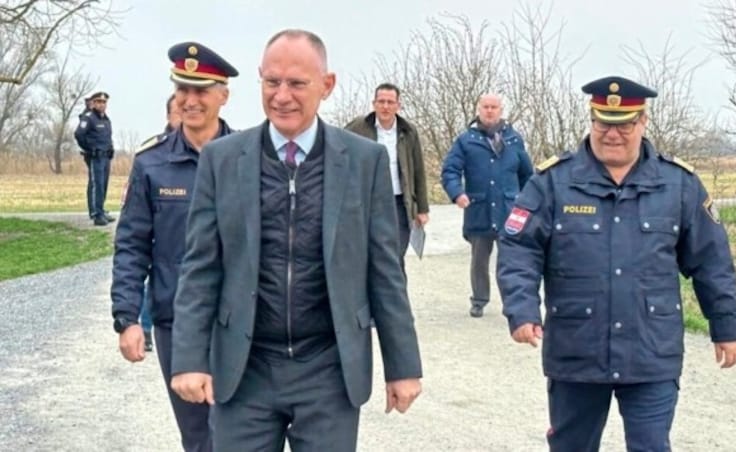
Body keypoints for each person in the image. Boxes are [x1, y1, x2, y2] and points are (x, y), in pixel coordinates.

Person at [169, 29, 423, 452]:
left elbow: (385, 272)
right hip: (245, 368)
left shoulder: (365, 161)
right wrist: (191, 359)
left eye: (296, 83)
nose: (281, 96)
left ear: (327, 85)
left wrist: (403, 366)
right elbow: (200, 267)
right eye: (272, 82)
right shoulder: (223, 159)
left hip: (328, 368)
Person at [496, 75, 736, 452]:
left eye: (624, 124)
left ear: (642, 122)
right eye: (603, 123)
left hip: (651, 351)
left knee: (650, 446)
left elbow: (712, 261)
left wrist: (725, 324)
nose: (612, 134)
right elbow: (519, 248)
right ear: (592, 120)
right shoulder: (552, 182)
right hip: (577, 350)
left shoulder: (679, 184)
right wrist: (521, 308)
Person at [110, 41, 238, 452]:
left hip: (240, 320)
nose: (190, 99)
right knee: (199, 437)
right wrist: (127, 317)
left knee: (242, 432)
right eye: (183, 89)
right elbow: (131, 245)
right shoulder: (152, 163)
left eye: (201, 90)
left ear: (223, 95)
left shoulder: (250, 158)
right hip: (175, 321)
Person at [440, 94, 533, 318]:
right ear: (478, 109)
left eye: (494, 107)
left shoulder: (514, 140)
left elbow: (527, 175)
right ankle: (479, 300)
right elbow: (450, 171)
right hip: (478, 208)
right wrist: (457, 193)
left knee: (510, 260)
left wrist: (527, 203)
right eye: (485, 107)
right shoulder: (465, 140)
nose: (489, 111)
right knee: (479, 259)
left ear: (501, 110)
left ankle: (512, 302)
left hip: (508, 210)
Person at [344, 82, 430, 272]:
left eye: (390, 102)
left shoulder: (408, 131)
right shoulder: (358, 128)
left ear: (398, 105)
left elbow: (417, 169)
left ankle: (397, 300)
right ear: (374, 103)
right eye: (381, 101)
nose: (385, 106)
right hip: (367, 202)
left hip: (399, 202)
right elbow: (340, 157)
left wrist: (422, 208)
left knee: (396, 255)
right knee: (368, 254)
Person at [131, 93, 184, 353]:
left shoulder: (226, 152)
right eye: (178, 111)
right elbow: (132, 241)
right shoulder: (153, 156)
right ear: (168, 116)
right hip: (164, 257)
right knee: (156, 277)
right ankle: (147, 327)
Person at [74, 91, 115, 226]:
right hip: (95, 156)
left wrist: (110, 148)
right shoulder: (89, 118)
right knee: (96, 184)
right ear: (93, 103)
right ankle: (96, 214)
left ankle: (101, 210)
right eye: (99, 102)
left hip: (105, 157)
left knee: (103, 184)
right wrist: (88, 148)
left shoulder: (105, 119)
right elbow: (79, 134)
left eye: (104, 102)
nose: (102, 105)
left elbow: (107, 137)